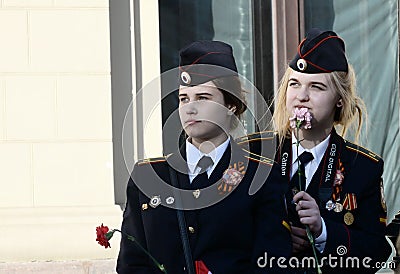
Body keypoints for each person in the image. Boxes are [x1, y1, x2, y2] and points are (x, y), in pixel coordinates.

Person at [117, 40, 292, 274]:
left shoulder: (260, 175)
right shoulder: (148, 176)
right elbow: (132, 264)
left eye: (203, 97)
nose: (190, 108)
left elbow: (271, 262)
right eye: (183, 99)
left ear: (231, 104)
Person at [271, 28, 392, 273]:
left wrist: (323, 231)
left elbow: (376, 252)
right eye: (294, 84)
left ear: (339, 98)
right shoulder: (254, 154)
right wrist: (276, 236)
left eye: (316, 87)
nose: (301, 97)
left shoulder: (363, 167)